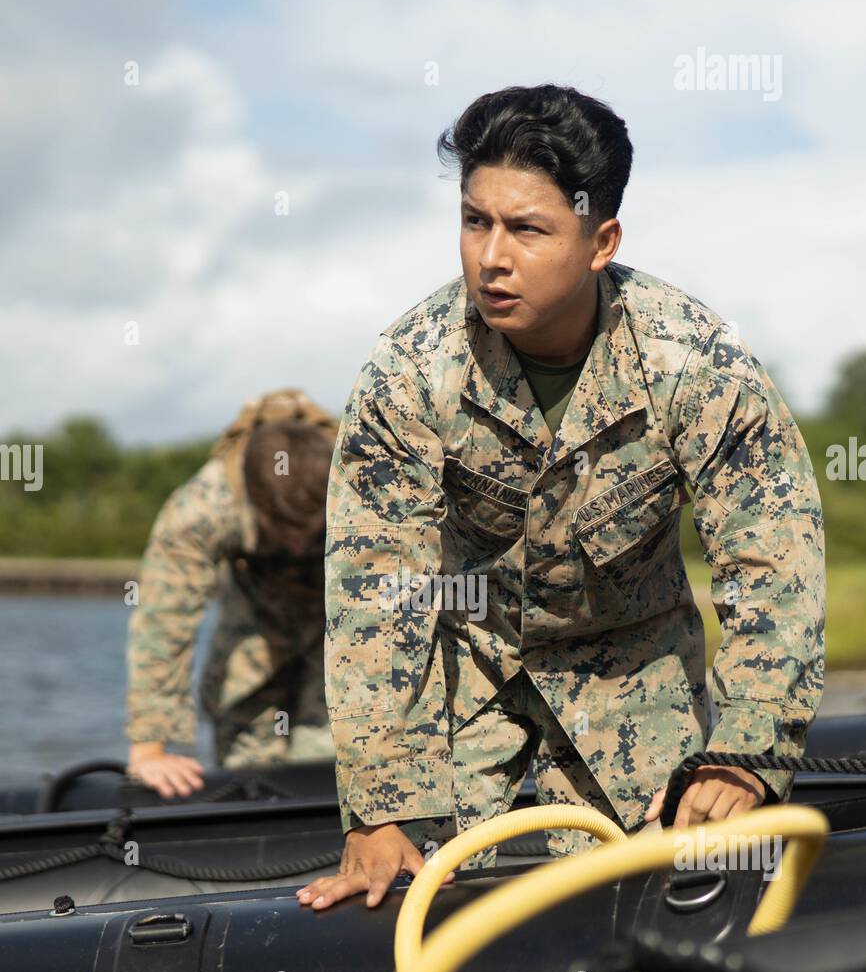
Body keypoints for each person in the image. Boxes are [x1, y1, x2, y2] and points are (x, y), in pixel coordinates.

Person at [296, 83, 825, 912]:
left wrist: (745, 754)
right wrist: (381, 804)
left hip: (637, 681)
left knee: (683, 916)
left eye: (528, 229)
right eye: (475, 221)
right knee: (413, 916)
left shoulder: (697, 365)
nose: (490, 257)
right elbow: (376, 593)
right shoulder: (409, 371)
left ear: (599, 240)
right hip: (470, 682)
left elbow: (773, 571)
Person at [126, 389, 338, 798]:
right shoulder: (202, 509)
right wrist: (150, 749)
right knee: (249, 764)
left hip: (342, 618)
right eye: (286, 532)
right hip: (254, 624)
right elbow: (163, 621)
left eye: (307, 533)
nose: (297, 547)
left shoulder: (366, 477)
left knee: (330, 755)